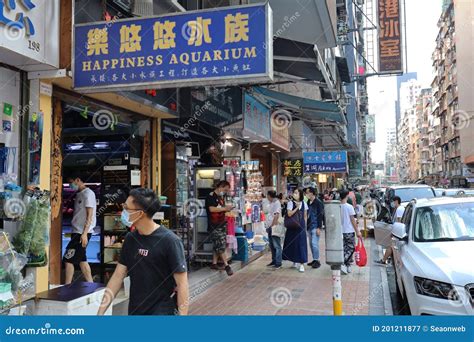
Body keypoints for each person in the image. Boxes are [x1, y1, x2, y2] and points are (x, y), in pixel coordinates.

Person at [97, 188, 189, 315]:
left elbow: (182, 284)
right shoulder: (130, 239)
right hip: (135, 311)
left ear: (140, 213)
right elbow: (118, 276)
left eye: (126, 208)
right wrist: (100, 312)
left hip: (161, 312)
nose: (123, 212)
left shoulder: (170, 241)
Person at [62, 172, 97, 284]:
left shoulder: (88, 194)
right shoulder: (79, 194)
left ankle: (67, 285)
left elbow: (90, 214)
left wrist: (85, 233)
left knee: (68, 259)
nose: (70, 185)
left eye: (71, 182)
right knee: (82, 260)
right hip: (76, 231)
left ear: (78, 179)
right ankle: (91, 284)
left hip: (81, 233)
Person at [205, 180, 234, 276]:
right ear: (221, 186)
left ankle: (214, 263)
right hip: (214, 225)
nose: (225, 192)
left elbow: (221, 208)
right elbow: (212, 209)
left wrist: (228, 208)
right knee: (220, 245)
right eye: (225, 190)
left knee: (218, 244)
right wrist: (225, 208)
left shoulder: (220, 197)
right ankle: (227, 266)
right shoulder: (210, 196)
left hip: (222, 224)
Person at [282, 188, 308, 272]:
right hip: (292, 227)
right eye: (294, 192)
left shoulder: (304, 203)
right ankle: (294, 261)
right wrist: (297, 208)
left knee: (301, 245)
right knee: (292, 243)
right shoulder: (290, 203)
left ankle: (302, 263)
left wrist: (305, 226)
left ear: (300, 194)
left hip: (301, 227)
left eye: (296, 193)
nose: (294, 194)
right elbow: (289, 214)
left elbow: (305, 216)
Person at [375, 196, 404, 265]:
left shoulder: (399, 209)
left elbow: (399, 221)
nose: (392, 203)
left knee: (390, 246)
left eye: (393, 202)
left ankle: (384, 260)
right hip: (397, 230)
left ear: (396, 201)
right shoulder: (399, 208)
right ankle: (385, 259)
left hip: (397, 231)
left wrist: (395, 232)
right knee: (391, 246)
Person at [340, 189, 362, 275]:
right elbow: (353, 220)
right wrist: (358, 231)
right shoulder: (349, 207)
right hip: (349, 231)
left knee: (345, 249)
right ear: (347, 196)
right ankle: (342, 262)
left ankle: (347, 266)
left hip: (341, 231)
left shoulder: (337, 206)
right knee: (351, 248)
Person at [305, 187, 323, 269]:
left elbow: (320, 215)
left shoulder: (318, 202)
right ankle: (314, 259)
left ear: (312, 193)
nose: (306, 194)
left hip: (315, 226)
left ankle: (317, 260)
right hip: (309, 226)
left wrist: (319, 227)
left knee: (314, 244)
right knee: (311, 244)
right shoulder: (308, 202)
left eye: (307, 192)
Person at [265, 191, 283, 269]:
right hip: (270, 226)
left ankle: (278, 262)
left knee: (276, 245)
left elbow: (276, 215)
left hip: (274, 227)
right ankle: (274, 260)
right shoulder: (272, 202)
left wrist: (272, 226)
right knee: (272, 245)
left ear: (269, 196)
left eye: (267, 196)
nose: (266, 197)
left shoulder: (276, 203)